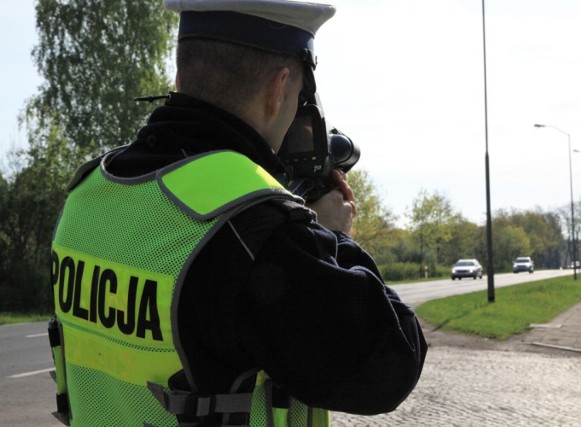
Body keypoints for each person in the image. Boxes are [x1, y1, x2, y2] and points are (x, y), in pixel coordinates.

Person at [48, 1, 427, 426]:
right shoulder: (256, 230)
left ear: (179, 76)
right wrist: (336, 239)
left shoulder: (88, 193)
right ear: (278, 88)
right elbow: (390, 366)